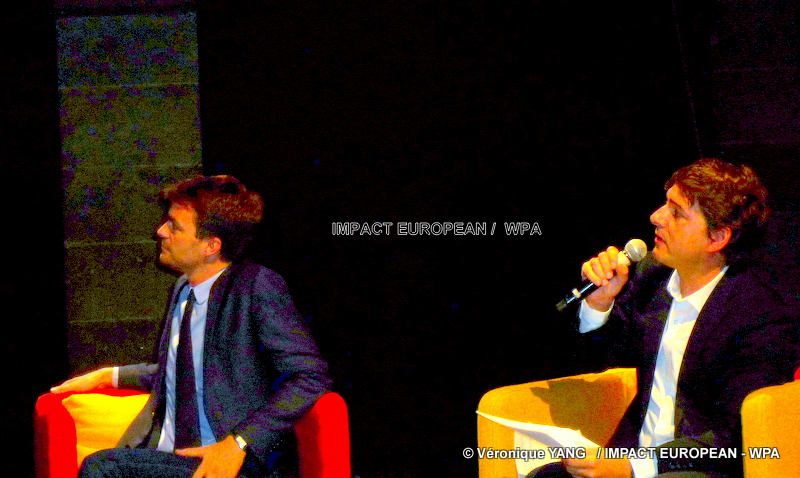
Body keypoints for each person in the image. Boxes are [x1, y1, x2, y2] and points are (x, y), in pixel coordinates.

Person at [530, 158, 797, 478]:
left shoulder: (761, 316)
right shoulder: (651, 277)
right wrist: (600, 301)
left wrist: (631, 467)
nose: (655, 217)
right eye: (664, 204)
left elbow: (732, 436)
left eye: (676, 212)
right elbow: (598, 359)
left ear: (716, 238)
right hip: (632, 454)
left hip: (700, 469)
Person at [51, 175, 331, 478]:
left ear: (210, 245)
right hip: (171, 459)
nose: (160, 231)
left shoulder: (255, 286)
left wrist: (239, 443)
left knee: (104, 468)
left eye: (174, 226)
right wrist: (109, 376)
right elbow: (182, 373)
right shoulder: (183, 290)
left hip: (226, 465)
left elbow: (310, 376)